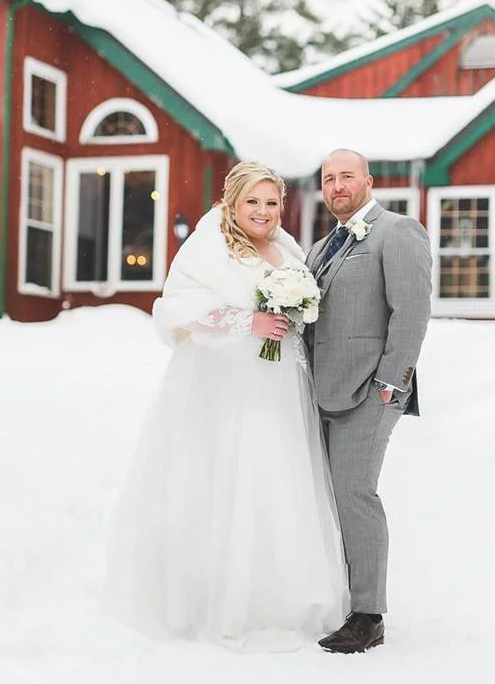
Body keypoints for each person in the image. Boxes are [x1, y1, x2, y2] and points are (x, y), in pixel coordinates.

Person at [102, 161, 349, 651]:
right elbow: (178, 307)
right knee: (228, 480)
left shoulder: (287, 247)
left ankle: (279, 595)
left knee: (277, 480)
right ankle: (218, 597)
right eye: (252, 202)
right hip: (226, 384)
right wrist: (246, 322)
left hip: (279, 384)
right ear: (232, 203)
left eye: (271, 202)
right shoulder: (210, 243)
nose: (262, 211)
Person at [305, 148, 433, 654]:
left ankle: (368, 615)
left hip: (371, 392)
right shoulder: (318, 250)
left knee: (355, 494)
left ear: (368, 181)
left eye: (346, 176)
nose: (338, 185)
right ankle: (338, 596)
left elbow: (412, 312)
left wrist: (392, 383)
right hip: (319, 391)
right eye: (329, 178)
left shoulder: (397, 232)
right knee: (326, 497)